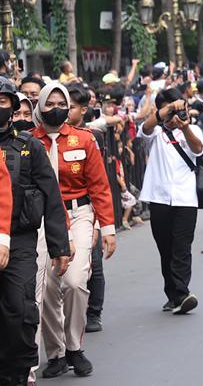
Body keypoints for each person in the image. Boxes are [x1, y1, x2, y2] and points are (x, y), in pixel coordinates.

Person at [31, 82, 116, 378]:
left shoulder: (84, 139)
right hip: (42, 219)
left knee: (75, 281)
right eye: (49, 103)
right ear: (39, 106)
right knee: (48, 287)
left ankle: (74, 347)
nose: (55, 109)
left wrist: (107, 227)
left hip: (78, 214)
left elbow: (100, 186)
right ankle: (55, 353)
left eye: (60, 103)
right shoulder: (28, 142)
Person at [0, 77, 68, 386]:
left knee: (18, 306)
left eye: (3, 102)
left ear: (13, 108)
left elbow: (52, 195)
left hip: (21, 240)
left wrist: (59, 247)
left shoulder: (29, 146)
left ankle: (20, 370)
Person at [139, 86, 203, 315]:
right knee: (165, 248)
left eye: (182, 105)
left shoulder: (193, 128)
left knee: (182, 247)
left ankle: (182, 293)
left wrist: (185, 129)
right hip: (159, 198)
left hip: (186, 199)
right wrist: (165, 112)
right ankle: (173, 293)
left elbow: (197, 150)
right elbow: (145, 128)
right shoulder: (155, 134)